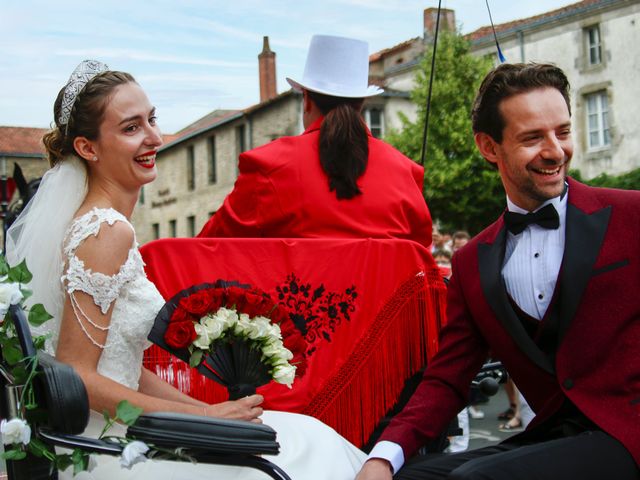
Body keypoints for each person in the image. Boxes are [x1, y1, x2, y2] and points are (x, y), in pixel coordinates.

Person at [6, 60, 365, 480]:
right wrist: (202, 421)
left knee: (305, 434)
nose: (154, 138)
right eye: (131, 128)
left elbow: (119, 369)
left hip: (121, 428)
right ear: (88, 148)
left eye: (152, 120)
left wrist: (208, 413)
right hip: (111, 450)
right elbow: (80, 376)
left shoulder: (104, 224)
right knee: (310, 450)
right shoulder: (105, 231)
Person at [356, 63, 640, 479]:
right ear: (489, 147)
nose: (556, 151)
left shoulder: (631, 215)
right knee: (409, 476)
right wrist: (383, 456)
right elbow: (447, 380)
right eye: (533, 138)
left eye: (562, 132)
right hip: (552, 438)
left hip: (628, 437)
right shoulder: (473, 261)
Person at [198, 35, 432, 248]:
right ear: (362, 104)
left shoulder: (268, 167)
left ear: (307, 100)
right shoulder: (407, 173)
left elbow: (206, 249)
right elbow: (419, 259)